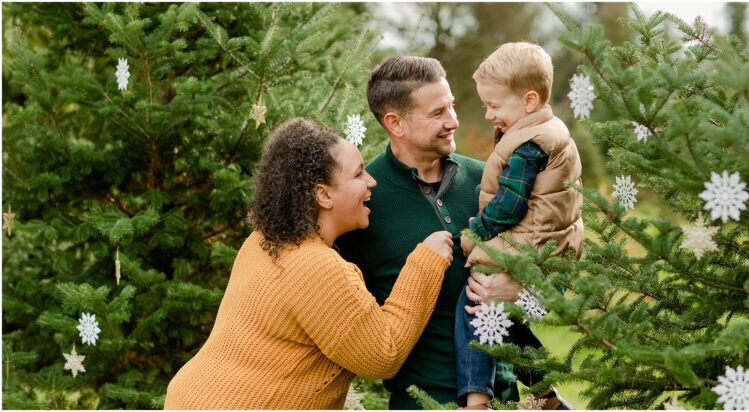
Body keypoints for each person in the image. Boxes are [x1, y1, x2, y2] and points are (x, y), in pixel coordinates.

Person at [163, 118, 456, 409]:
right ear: (324, 195)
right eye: (358, 175)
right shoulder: (317, 268)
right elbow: (384, 354)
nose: (372, 182)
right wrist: (425, 262)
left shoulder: (263, 239)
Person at [335, 55, 545, 408]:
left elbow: (559, 268)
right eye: (437, 113)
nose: (454, 121)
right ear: (395, 123)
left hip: (507, 401)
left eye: (451, 106)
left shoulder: (494, 179)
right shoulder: (364, 203)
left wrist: (521, 288)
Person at [457, 42, 584, 408]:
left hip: (534, 247)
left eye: (494, 106)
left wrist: (473, 234)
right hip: (547, 247)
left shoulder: (532, 143)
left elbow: (510, 205)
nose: (486, 114)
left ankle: (476, 400)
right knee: (501, 315)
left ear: (529, 101)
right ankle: (546, 390)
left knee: (475, 303)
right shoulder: (546, 131)